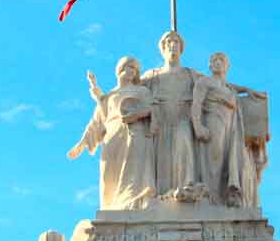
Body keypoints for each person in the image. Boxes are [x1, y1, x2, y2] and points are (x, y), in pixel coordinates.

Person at [67, 57, 158, 210]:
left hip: (135, 133)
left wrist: (135, 115)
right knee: (108, 174)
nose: (132, 71)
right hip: (112, 135)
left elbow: (152, 109)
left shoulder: (142, 91)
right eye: (129, 67)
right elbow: (97, 122)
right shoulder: (109, 96)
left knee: (135, 171)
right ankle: (111, 208)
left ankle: (136, 204)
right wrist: (82, 143)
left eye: (134, 69)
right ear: (119, 69)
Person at [191, 52, 267, 207]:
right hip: (213, 121)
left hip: (231, 126)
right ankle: (211, 199)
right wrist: (198, 126)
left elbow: (234, 88)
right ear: (210, 66)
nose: (218, 63)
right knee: (214, 159)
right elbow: (196, 104)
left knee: (230, 160)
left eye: (221, 60)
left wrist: (247, 90)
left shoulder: (228, 87)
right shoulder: (204, 82)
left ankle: (226, 197)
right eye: (214, 60)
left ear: (227, 66)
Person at [141, 31, 198, 199]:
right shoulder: (151, 76)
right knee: (163, 160)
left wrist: (243, 91)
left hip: (183, 120)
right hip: (160, 124)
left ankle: (187, 188)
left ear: (181, 48)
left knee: (184, 148)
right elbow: (130, 90)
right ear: (162, 48)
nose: (172, 45)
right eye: (168, 43)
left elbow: (216, 84)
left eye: (176, 42)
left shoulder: (191, 75)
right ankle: (162, 196)